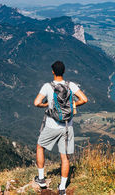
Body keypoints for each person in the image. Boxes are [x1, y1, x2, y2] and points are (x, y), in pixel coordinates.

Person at [33, 60, 88, 195]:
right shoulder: (71, 85)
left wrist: (46, 105)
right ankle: (62, 188)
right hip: (67, 126)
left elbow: (36, 102)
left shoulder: (47, 86)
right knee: (65, 157)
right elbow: (84, 99)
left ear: (53, 72)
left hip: (52, 125)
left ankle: (41, 179)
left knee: (40, 147)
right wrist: (73, 105)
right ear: (63, 72)